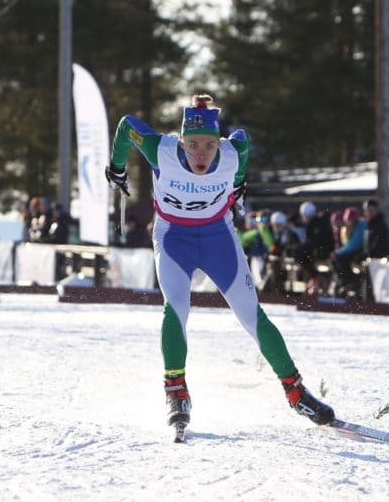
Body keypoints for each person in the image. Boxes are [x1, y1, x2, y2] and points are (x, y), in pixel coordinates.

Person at [105, 94, 334, 436]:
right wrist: (118, 168)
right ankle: (176, 392)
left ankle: (296, 392)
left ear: (218, 144)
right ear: (181, 141)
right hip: (173, 240)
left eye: (209, 146)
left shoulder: (231, 153)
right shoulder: (161, 150)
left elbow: (242, 141)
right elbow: (126, 127)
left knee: (251, 314)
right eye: (193, 144)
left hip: (218, 238)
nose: (200, 154)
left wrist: (240, 180)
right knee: (176, 308)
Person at [294, 201, 335, 295]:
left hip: (323, 252)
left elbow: (320, 241)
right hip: (315, 252)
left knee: (301, 252)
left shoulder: (319, 224)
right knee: (299, 252)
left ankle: (317, 278)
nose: (305, 219)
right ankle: (314, 277)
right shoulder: (311, 225)